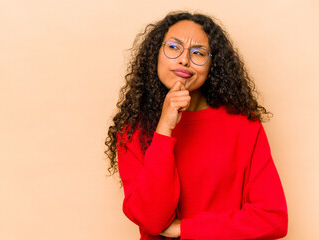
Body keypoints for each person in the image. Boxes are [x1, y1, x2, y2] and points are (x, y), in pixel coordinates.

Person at [105, 11, 288, 240]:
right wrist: (164, 129)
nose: (184, 60)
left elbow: (273, 219)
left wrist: (184, 228)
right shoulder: (132, 130)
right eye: (173, 47)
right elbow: (152, 220)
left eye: (198, 53)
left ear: (213, 65)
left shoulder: (244, 126)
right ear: (155, 54)